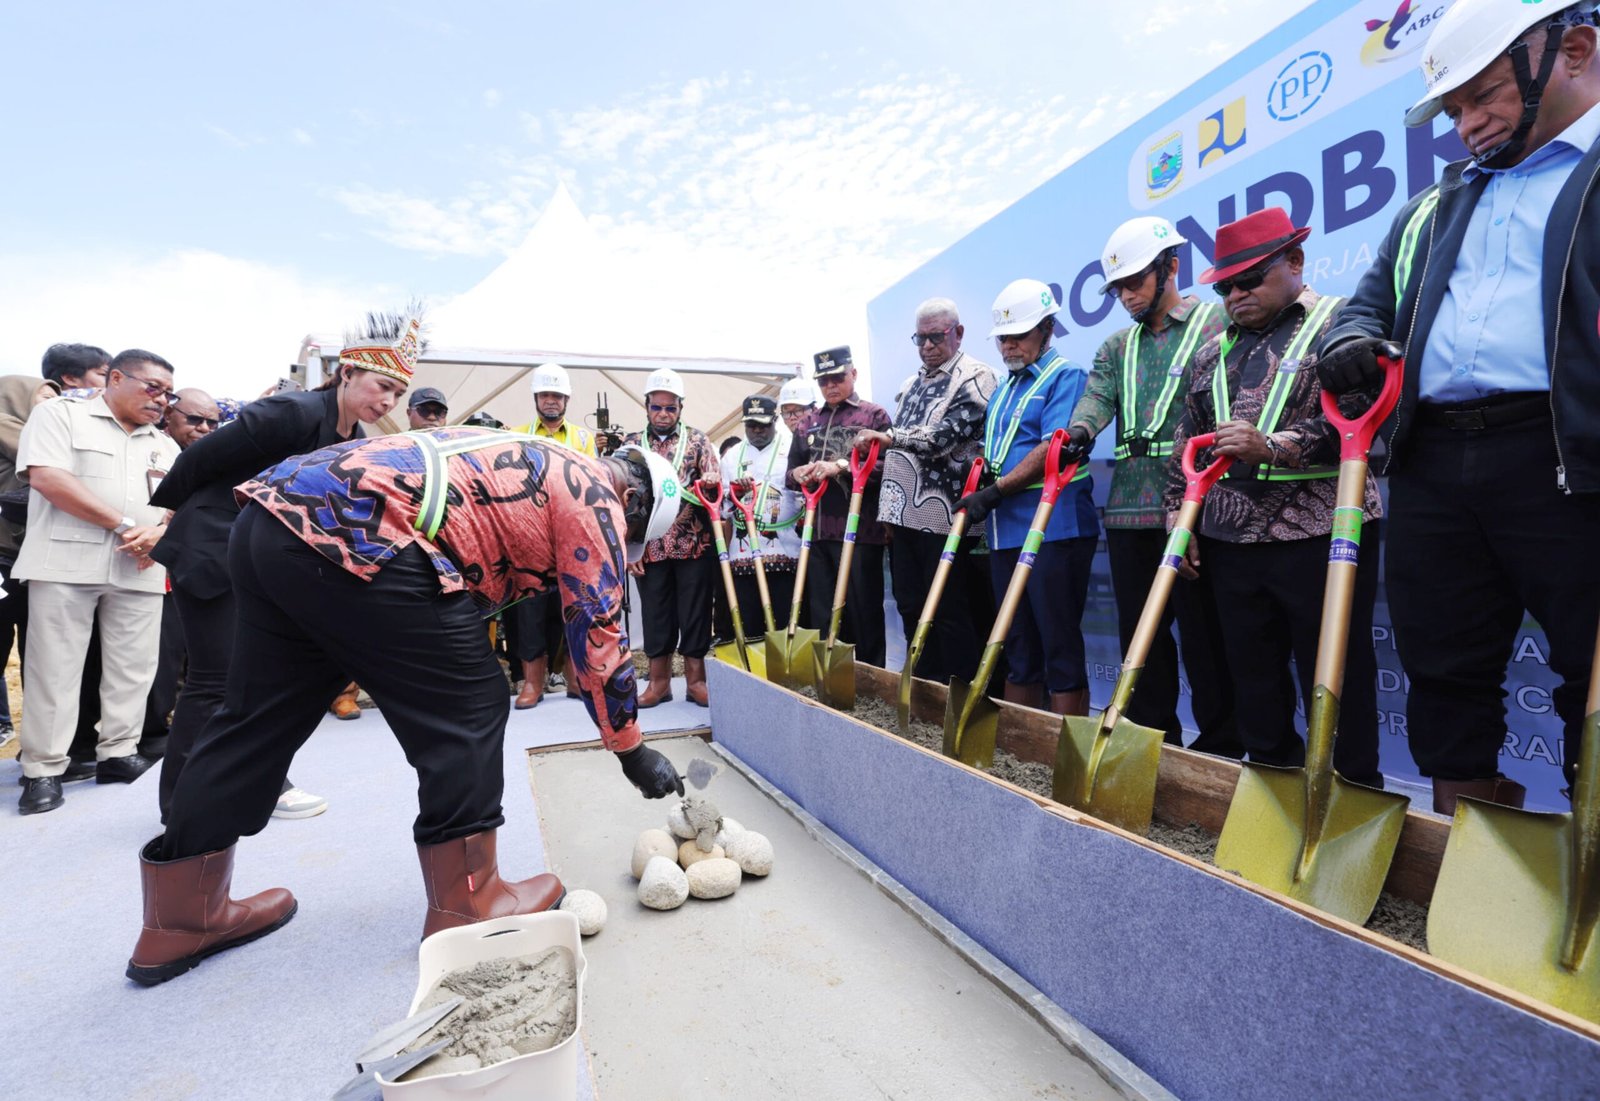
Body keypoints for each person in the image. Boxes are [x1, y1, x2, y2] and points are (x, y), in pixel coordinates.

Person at [126, 428, 684, 985]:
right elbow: (596, 633)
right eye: (630, 534)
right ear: (633, 500)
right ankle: (471, 901)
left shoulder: (538, 455)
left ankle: (180, 918)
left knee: (254, 716)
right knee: (471, 701)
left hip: (268, 522)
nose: (621, 542)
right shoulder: (596, 492)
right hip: (360, 532)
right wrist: (630, 749)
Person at [1317, 0, 1600, 813]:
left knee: (1590, 669)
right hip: (1436, 465)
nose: (1467, 125)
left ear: (1573, 49)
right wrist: (1355, 339)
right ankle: (1470, 855)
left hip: (1565, 454)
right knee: (1443, 669)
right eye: (1454, 110)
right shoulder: (1433, 207)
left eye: (1483, 98)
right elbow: (1365, 305)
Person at [148, 314, 419, 825]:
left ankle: (258, 780)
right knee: (214, 680)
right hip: (212, 546)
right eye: (382, 385)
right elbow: (199, 458)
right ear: (346, 372)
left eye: (398, 394)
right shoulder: (288, 412)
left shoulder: (353, 440)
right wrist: (171, 518)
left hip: (265, 566)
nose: (388, 402)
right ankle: (181, 805)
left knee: (261, 681)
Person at [1163, 207, 1384, 788]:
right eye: (1226, 285)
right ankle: (1270, 790)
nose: (1236, 294)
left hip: (1323, 533)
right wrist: (1176, 522)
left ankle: (1351, 790)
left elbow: (1371, 421)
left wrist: (1275, 446)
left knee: (1335, 671)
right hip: (1230, 539)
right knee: (1252, 674)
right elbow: (1187, 441)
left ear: (1294, 261)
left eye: (1250, 279)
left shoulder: (1344, 323)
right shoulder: (1211, 353)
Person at [1066, 217, 1241, 756]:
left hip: (1199, 510)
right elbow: (1096, 399)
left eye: (1134, 282)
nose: (1125, 296)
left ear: (1171, 267)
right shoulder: (1117, 346)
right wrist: (1078, 432)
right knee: (1140, 641)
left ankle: (1220, 751)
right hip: (1127, 514)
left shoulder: (1218, 324)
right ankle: (1150, 746)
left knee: (1207, 637)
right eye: (1118, 287)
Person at [14, 350, 181, 814]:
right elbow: (48, 478)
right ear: (113, 378)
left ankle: (119, 754)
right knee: (55, 669)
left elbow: (178, 507)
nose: (161, 399)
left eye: (168, 393)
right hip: (67, 560)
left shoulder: (165, 444)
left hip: (142, 566)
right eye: (152, 387)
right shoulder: (60, 415)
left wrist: (159, 533)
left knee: (134, 667)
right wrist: (126, 525)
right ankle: (43, 770)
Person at [954, 283, 1098, 716]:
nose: (1009, 344)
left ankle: (1064, 745)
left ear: (1048, 328)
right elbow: (998, 449)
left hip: (1054, 527)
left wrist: (996, 490)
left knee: (1058, 641)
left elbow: (1050, 448)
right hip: (1004, 532)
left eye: (1020, 334)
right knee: (1016, 642)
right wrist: (980, 473)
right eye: (1003, 336)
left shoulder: (1065, 377)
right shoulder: (1003, 389)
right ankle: (1020, 748)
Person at [851, 299, 995, 686]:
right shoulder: (911, 384)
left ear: (958, 333)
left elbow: (943, 438)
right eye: (921, 338)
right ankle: (925, 686)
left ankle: (958, 691)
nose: (928, 345)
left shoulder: (976, 377)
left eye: (937, 336)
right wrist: (889, 512)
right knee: (911, 604)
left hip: (946, 516)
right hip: (905, 519)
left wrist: (888, 436)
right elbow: (900, 457)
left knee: (948, 608)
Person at [786, 346, 893, 669]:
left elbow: (889, 467)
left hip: (861, 531)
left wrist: (842, 466)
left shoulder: (873, 415)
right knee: (822, 612)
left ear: (853, 374)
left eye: (837, 378)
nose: (831, 386)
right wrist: (800, 473)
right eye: (824, 381)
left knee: (865, 611)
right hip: (817, 533)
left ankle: (872, 680)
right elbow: (790, 474)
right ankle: (830, 679)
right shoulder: (808, 422)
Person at [622, 367, 719, 708]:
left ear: (681, 408)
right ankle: (659, 684)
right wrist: (628, 551)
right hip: (649, 547)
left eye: (670, 408)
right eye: (656, 407)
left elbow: (715, 486)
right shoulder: (631, 445)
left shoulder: (698, 441)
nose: (663, 414)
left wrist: (709, 478)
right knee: (655, 614)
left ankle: (696, 683)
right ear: (646, 406)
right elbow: (620, 499)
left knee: (695, 614)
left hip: (693, 543)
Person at [509, 362, 597, 709]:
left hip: (571, 537)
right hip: (530, 538)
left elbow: (594, 486)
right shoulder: (516, 435)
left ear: (567, 399)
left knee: (574, 605)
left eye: (557, 395)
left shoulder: (583, 439)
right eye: (545, 394)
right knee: (530, 610)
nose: (551, 401)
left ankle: (576, 678)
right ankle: (533, 683)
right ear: (535, 397)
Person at [0, 363, 73, 750]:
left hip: (27, 556)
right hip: (5, 556)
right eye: (46, 399)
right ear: (18, 398)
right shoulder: (6, 423)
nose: (54, 408)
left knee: (40, 653)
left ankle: (39, 740)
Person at [722, 395, 802, 639]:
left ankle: (786, 676)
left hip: (786, 553)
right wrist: (734, 493)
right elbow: (722, 508)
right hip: (743, 555)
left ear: (775, 421)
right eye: (751, 425)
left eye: (763, 425)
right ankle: (753, 675)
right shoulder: (732, 456)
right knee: (750, 626)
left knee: (786, 625)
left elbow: (803, 497)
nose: (757, 430)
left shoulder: (791, 448)